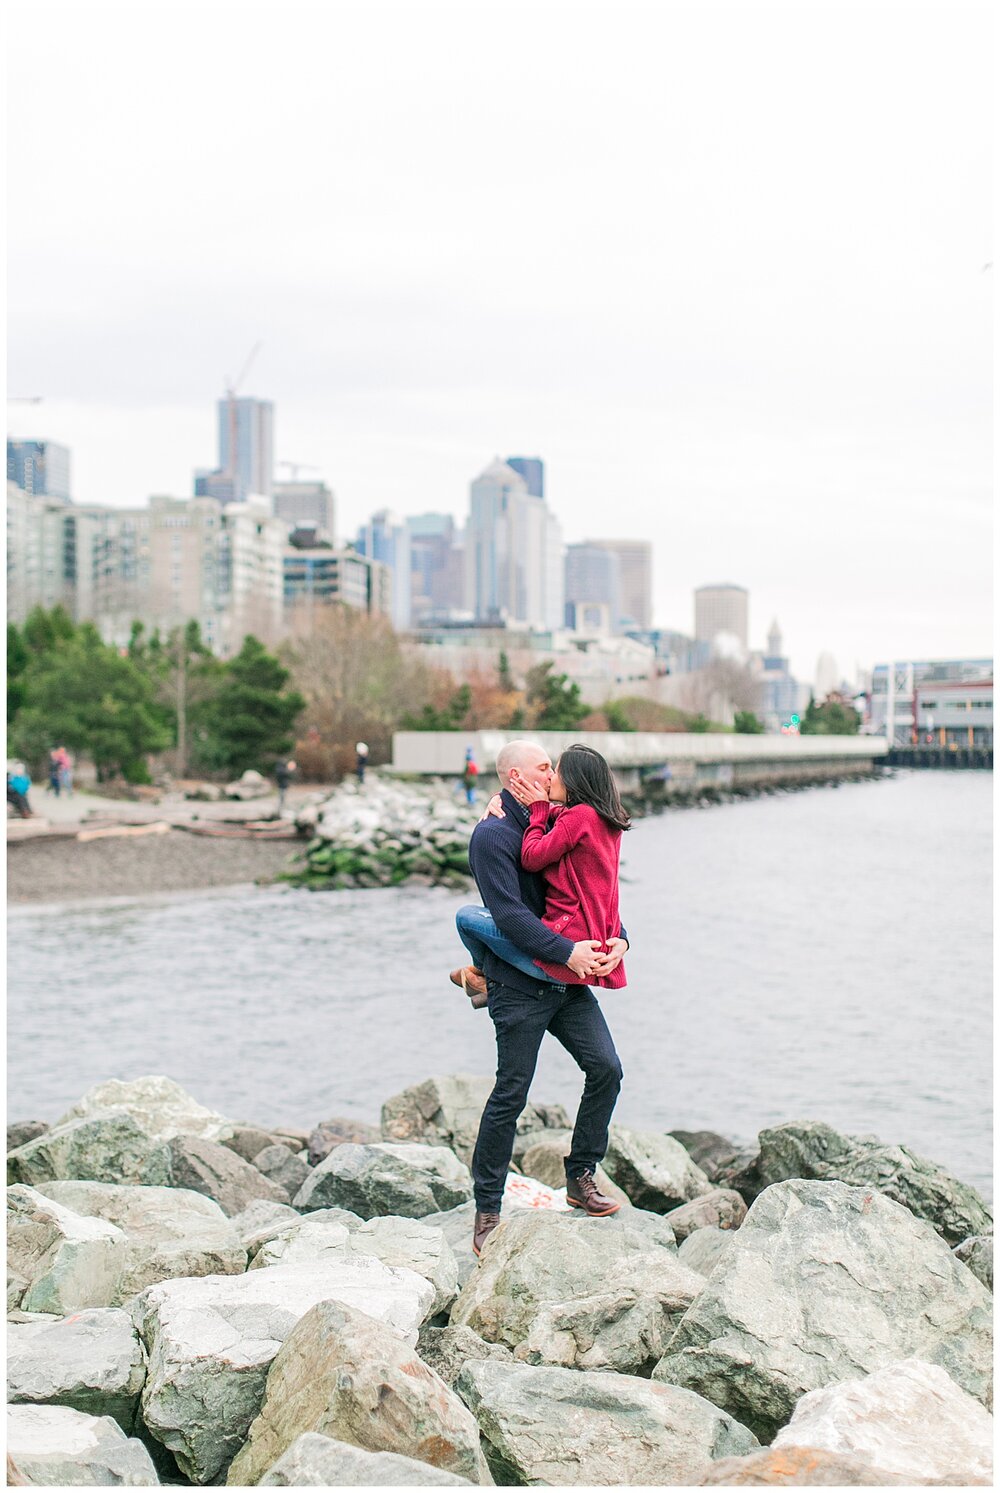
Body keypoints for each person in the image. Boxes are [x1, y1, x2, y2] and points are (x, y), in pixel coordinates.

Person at [456, 740, 629, 1258]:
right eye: (543, 767)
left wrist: (621, 938)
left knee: (607, 1070)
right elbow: (508, 917)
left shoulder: (559, 819)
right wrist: (568, 953)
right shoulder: (492, 836)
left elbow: (592, 888)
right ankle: (488, 1209)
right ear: (514, 776)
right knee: (512, 1093)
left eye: (554, 767)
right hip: (521, 984)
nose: (553, 773)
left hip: (568, 980)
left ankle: (580, 1176)